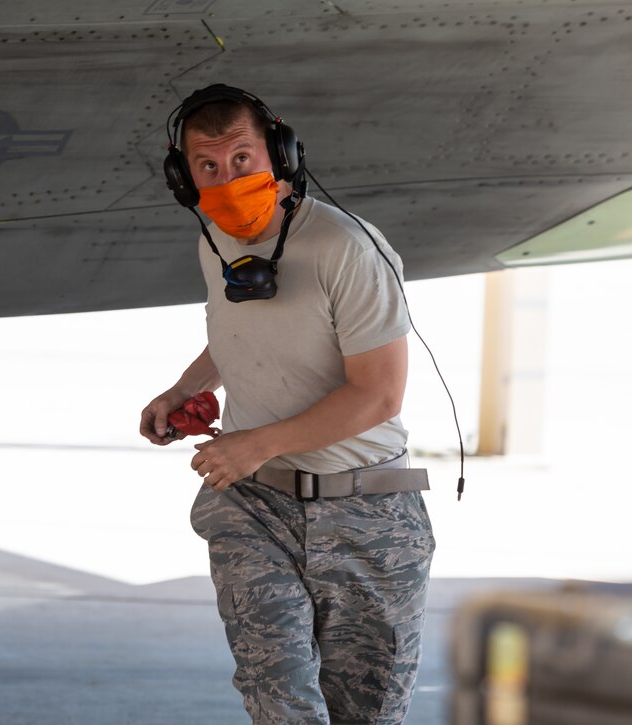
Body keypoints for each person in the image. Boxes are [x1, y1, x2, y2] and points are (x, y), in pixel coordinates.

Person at [140, 84, 435, 724]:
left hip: (369, 512)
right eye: (207, 167)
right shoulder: (215, 242)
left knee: (366, 713)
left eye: (242, 158)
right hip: (256, 506)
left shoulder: (346, 248)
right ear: (182, 175)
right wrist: (186, 390)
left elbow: (379, 395)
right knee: (280, 699)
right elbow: (237, 327)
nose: (226, 179)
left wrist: (257, 441)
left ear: (279, 152)